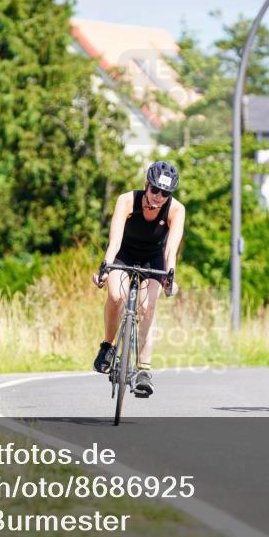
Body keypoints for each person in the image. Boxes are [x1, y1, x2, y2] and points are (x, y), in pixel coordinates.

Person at [91, 161, 185, 397]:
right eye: (155, 190)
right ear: (146, 185)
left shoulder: (176, 210)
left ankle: (144, 368)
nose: (159, 197)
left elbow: (170, 250)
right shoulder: (126, 201)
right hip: (125, 253)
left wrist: (170, 277)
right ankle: (107, 347)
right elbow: (114, 242)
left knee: (146, 306)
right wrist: (104, 268)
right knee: (115, 296)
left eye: (165, 193)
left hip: (153, 258)